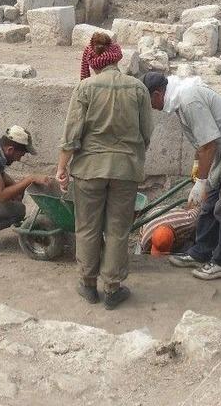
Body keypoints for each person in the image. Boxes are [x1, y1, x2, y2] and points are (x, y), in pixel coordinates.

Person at [56, 33, 154, 310]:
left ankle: (88, 285)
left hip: (89, 170)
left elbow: (71, 136)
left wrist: (62, 168)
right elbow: (147, 133)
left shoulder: (85, 88)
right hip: (125, 170)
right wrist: (130, 155)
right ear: (116, 57)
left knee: (86, 228)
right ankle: (112, 289)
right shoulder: (137, 88)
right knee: (117, 230)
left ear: (92, 60)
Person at [142, 72, 221, 280]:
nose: (150, 107)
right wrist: (198, 165)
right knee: (208, 207)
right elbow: (201, 141)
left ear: (158, 93)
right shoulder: (181, 100)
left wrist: (201, 182)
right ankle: (201, 252)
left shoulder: (189, 100)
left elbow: (209, 143)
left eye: (149, 101)